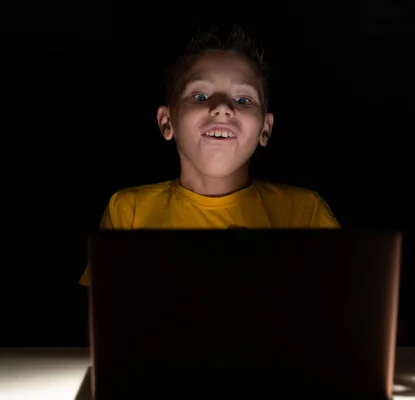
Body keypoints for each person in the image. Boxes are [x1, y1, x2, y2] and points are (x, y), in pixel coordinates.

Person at [78, 26, 339, 286]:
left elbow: (344, 308)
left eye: (243, 100)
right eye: (200, 96)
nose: (222, 108)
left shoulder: (304, 213)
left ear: (265, 128)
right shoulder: (129, 213)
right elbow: (101, 318)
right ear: (167, 122)